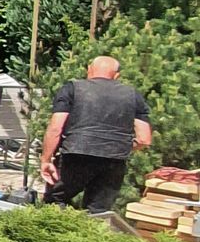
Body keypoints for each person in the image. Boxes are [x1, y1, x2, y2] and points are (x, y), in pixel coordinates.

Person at [40, 54, 151, 215]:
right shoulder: (133, 95)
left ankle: (55, 230)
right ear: (116, 75)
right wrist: (118, 147)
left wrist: (46, 159)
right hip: (114, 160)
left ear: (89, 70)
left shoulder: (73, 88)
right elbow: (144, 139)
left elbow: (55, 128)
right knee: (98, 212)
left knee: (56, 201)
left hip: (76, 154)